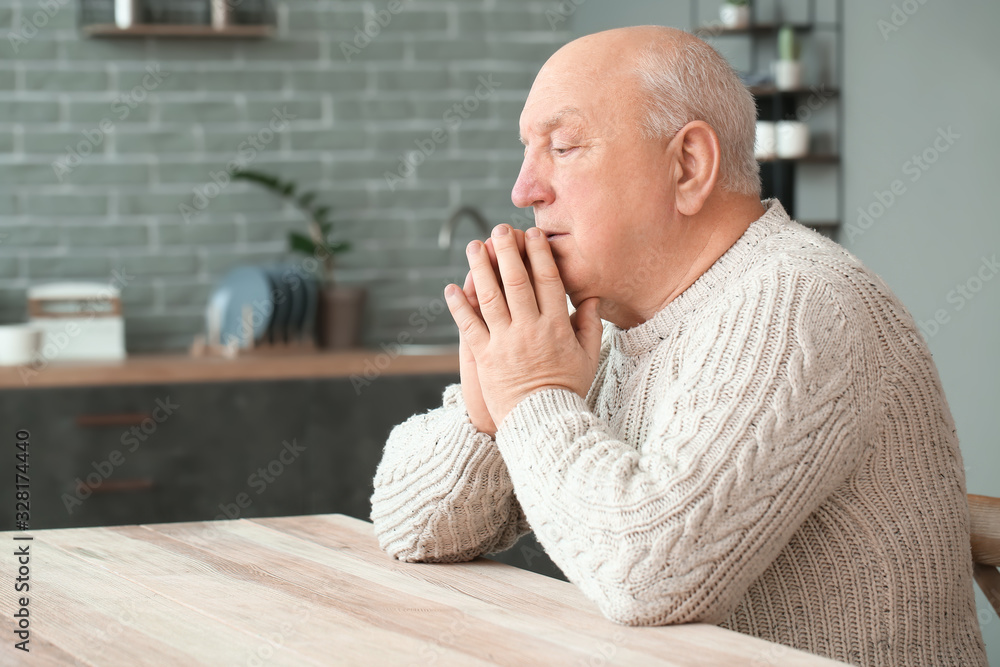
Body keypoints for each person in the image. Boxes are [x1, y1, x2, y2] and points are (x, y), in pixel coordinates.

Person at [370, 25, 988, 666]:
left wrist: (530, 394)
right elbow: (412, 526)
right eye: (528, 152)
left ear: (687, 165)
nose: (523, 190)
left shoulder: (797, 302)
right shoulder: (606, 326)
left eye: (563, 146)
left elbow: (650, 579)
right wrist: (487, 404)